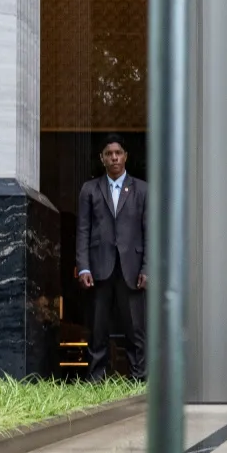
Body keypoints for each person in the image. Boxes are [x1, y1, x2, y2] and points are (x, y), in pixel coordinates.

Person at [75, 136, 148, 381]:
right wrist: (83, 267)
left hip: (132, 269)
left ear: (125, 156)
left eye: (118, 152)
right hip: (99, 269)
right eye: (109, 153)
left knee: (135, 330)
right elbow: (83, 230)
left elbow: (149, 232)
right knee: (98, 328)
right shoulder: (90, 189)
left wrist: (147, 268)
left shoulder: (142, 189)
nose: (114, 157)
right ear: (102, 158)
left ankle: (138, 380)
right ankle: (96, 381)